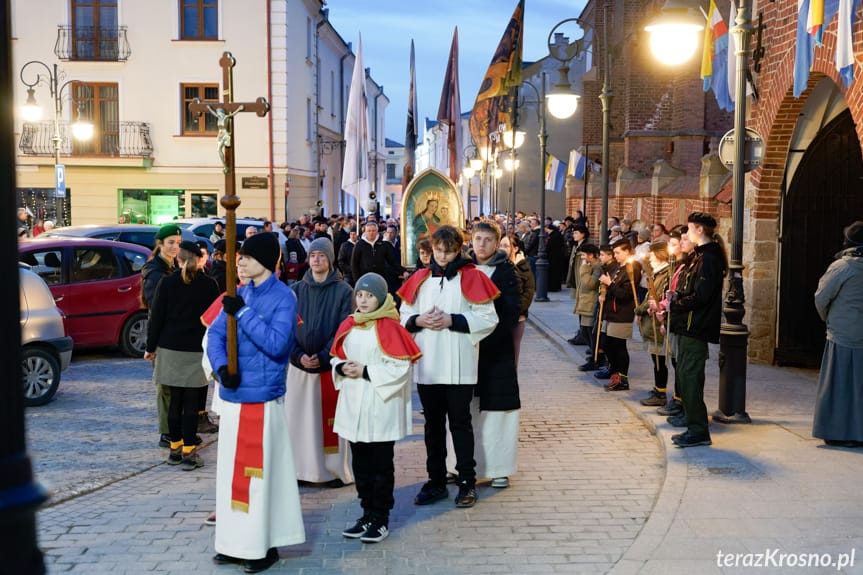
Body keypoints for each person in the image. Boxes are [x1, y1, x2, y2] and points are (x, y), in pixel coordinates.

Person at [206, 231, 305, 573]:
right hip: (234, 396)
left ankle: (263, 545)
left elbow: (277, 344)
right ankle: (234, 543)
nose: (240, 262)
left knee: (258, 479)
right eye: (240, 257)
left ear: (263, 260)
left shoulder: (283, 297)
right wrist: (222, 369)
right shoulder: (240, 292)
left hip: (261, 399)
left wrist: (244, 314)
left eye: (246, 257)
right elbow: (216, 336)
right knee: (232, 478)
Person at [398, 225, 499, 509]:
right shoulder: (419, 278)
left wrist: (452, 321)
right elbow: (403, 314)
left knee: (460, 425)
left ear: (458, 250)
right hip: (428, 364)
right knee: (432, 427)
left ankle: (466, 481)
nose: (443, 257)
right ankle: (436, 481)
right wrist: (417, 321)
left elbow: (488, 318)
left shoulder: (473, 277)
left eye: (448, 251)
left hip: (459, 365)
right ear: (432, 250)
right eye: (438, 251)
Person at [331, 273, 422, 543]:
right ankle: (366, 513)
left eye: (369, 296)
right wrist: (341, 367)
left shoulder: (391, 327)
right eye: (360, 295)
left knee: (381, 465)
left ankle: (380, 517)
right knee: (360, 463)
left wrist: (367, 370)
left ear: (381, 298)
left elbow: (400, 367)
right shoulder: (350, 324)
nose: (363, 300)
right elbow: (335, 354)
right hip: (354, 403)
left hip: (380, 405)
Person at [286, 237, 355, 485]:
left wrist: (325, 355)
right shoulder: (294, 291)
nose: (317, 260)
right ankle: (302, 471)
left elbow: (344, 329)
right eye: (313, 255)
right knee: (302, 422)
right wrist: (298, 355)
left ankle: (335, 471)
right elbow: (287, 329)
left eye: (322, 255)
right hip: (300, 367)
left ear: (330, 259)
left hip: (330, 368)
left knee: (330, 423)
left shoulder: (344, 291)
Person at [145, 241, 220, 469]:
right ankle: (189, 451)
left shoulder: (167, 283)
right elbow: (215, 322)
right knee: (191, 404)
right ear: (198, 259)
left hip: (169, 349)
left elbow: (156, 316)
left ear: (178, 259)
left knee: (173, 402)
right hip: (196, 350)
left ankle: (175, 449)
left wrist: (150, 347)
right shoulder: (209, 285)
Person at [659, 212, 727, 448]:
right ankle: (692, 423)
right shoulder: (699, 257)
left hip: (695, 327)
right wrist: (676, 296)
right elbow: (692, 290)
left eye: (688, 230)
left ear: (698, 229)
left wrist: (674, 304)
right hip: (687, 325)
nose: (686, 235)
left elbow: (702, 296)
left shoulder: (708, 258)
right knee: (685, 378)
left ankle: (698, 431)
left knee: (690, 379)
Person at [470, 222, 521, 489]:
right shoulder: (463, 269)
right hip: (466, 349)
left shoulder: (505, 271)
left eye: (488, 240)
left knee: (498, 410)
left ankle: (499, 468)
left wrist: (486, 328)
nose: (482, 244)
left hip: (496, 350)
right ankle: (464, 465)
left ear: (496, 242)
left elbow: (512, 310)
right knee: (467, 411)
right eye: (477, 239)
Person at [812, 221, 863, 447]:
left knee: (839, 386)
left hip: (843, 333)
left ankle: (837, 431)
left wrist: (829, 320)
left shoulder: (843, 267)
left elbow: (821, 298)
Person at [142, 224, 183, 448]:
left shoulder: (173, 265)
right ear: (160, 244)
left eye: (178, 242)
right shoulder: (154, 270)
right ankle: (166, 432)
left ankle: (175, 428)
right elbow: (154, 304)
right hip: (161, 334)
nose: (175, 247)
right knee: (164, 385)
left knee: (175, 384)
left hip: (173, 334)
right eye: (170, 243)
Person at [598, 238, 640, 391]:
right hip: (610, 311)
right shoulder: (617, 267)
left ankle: (622, 378)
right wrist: (604, 292)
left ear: (627, 252)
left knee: (619, 346)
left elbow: (626, 294)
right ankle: (614, 373)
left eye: (618, 252)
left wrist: (610, 284)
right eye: (614, 252)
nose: (615, 256)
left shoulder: (632, 268)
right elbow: (611, 287)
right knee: (607, 344)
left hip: (622, 313)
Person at [635, 241, 671, 407]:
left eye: (651, 253)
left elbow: (657, 297)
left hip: (658, 323)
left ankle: (661, 392)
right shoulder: (656, 273)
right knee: (655, 358)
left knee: (659, 359)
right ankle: (658, 388)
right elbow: (649, 296)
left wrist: (640, 310)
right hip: (651, 321)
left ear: (658, 255)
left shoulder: (665, 274)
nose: (648, 256)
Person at [499, 233, 534, 367]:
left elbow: (529, 292)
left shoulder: (523, 267)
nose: (502, 248)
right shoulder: (495, 265)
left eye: (506, 246)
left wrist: (516, 310)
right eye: (500, 245)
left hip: (516, 317)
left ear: (515, 248)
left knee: (513, 353)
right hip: (498, 317)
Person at [351, 220, 406, 294]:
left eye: (373, 230)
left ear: (377, 231)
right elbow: (354, 264)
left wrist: (403, 271)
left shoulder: (383, 244)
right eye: (369, 231)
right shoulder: (359, 245)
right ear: (365, 232)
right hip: (364, 278)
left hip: (380, 278)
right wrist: (357, 280)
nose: (371, 233)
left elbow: (392, 261)